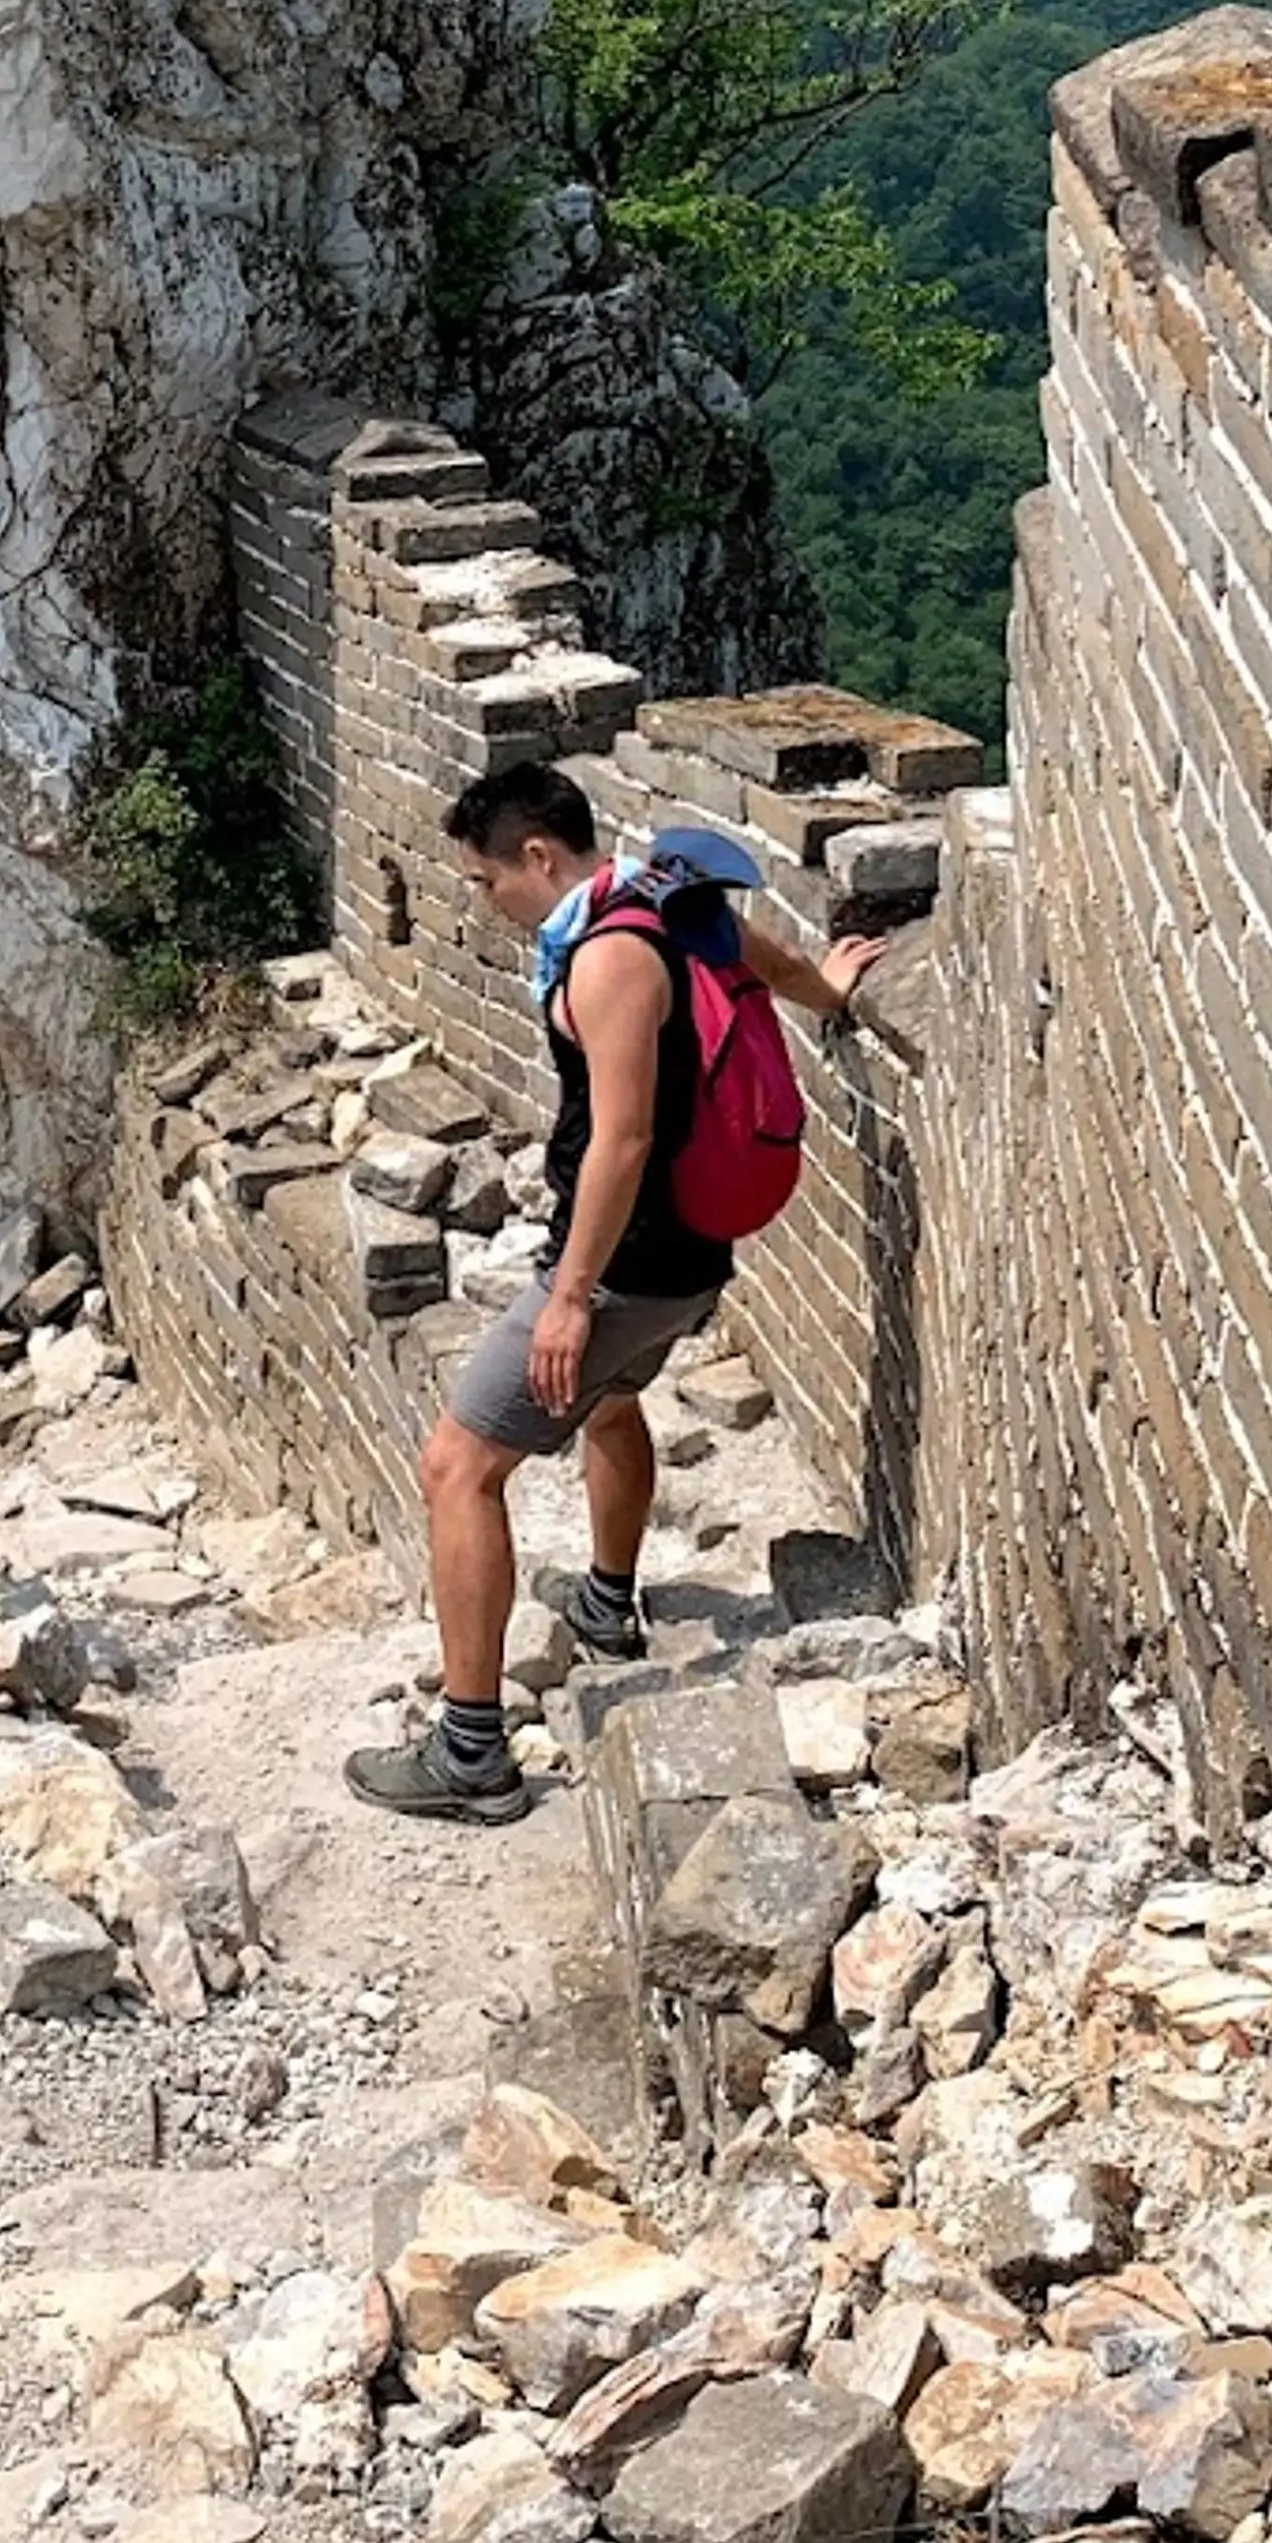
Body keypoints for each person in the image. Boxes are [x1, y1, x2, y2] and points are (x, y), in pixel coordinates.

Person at [345, 758, 888, 1826]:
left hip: (630, 1265)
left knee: (459, 1465)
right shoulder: (660, 891)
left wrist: (570, 1294)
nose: (482, 901)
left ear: (538, 856)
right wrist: (825, 986)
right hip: (691, 1260)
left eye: (486, 879)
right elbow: (752, 949)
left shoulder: (609, 957)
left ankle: (470, 1753)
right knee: (609, 1402)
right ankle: (605, 1603)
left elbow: (625, 1135)